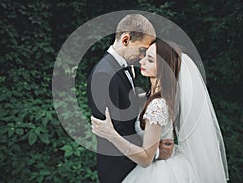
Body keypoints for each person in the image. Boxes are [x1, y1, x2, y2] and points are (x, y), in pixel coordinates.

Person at [91, 38, 229, 182]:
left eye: (150, 60)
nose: (142, 61)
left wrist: (111, 135)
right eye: (144, 56)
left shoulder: (157, 106)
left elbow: (146, 158)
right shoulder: (151, 97)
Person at [87, 14, 174, 183]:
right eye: (142, 50)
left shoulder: (122, 67)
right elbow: (118, 129)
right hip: (118, 168)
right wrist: (154, 151)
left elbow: (127, 109)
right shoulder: (104, 74)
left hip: (134, 166)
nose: (143, 57)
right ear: (125, 40)